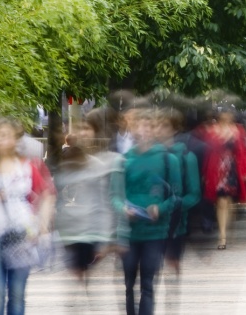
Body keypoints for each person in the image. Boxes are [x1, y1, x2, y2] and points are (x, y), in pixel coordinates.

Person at [113, 109, 182, 315]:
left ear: (155, 130)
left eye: (149, 126)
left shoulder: (169, 161)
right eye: (139, 126)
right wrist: (123, 208)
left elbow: (176, 195)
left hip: (155, 233)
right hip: (129, 233)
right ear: (132, 129)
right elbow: (114, 195)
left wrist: (159, 208)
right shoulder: (123, 161)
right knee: (128, 285)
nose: (144, 130)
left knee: (148, 285)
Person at [0, 118, 55, 315]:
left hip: (21, 234)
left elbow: (46, 195)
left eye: (6, 136)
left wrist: (42, 226)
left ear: (16, 140)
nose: (1, 140)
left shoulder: (28, 167)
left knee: (17, 292)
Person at [54, 118, 119, 289]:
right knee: (77, 275)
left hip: (91, 230)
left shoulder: (99, 163)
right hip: (70, 231)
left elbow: (104, 201)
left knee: (84, 274)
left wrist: (105, 237)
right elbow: (59, 197)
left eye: (86, 129)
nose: (82, 133)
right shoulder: (64, 163)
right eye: (78, 129)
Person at [156, 108, 200, 289]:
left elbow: (194, 194)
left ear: (175, 129)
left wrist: (176, 207)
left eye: (164, 125)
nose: (158, 129)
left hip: (175, 224)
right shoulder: (148, 156)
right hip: (149, 223)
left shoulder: (186, 157)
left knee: (170, 269)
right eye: (156, 125)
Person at [198, 108, 246, 250]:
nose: (227, 116)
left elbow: (244, 153)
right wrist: (205, 173)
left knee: (229, 202)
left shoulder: (238, 130)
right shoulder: (212, 131)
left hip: (233, 170)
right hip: (217, 170)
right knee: (221, 201)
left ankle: (227, 228)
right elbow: (207, 153)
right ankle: (222, 236)